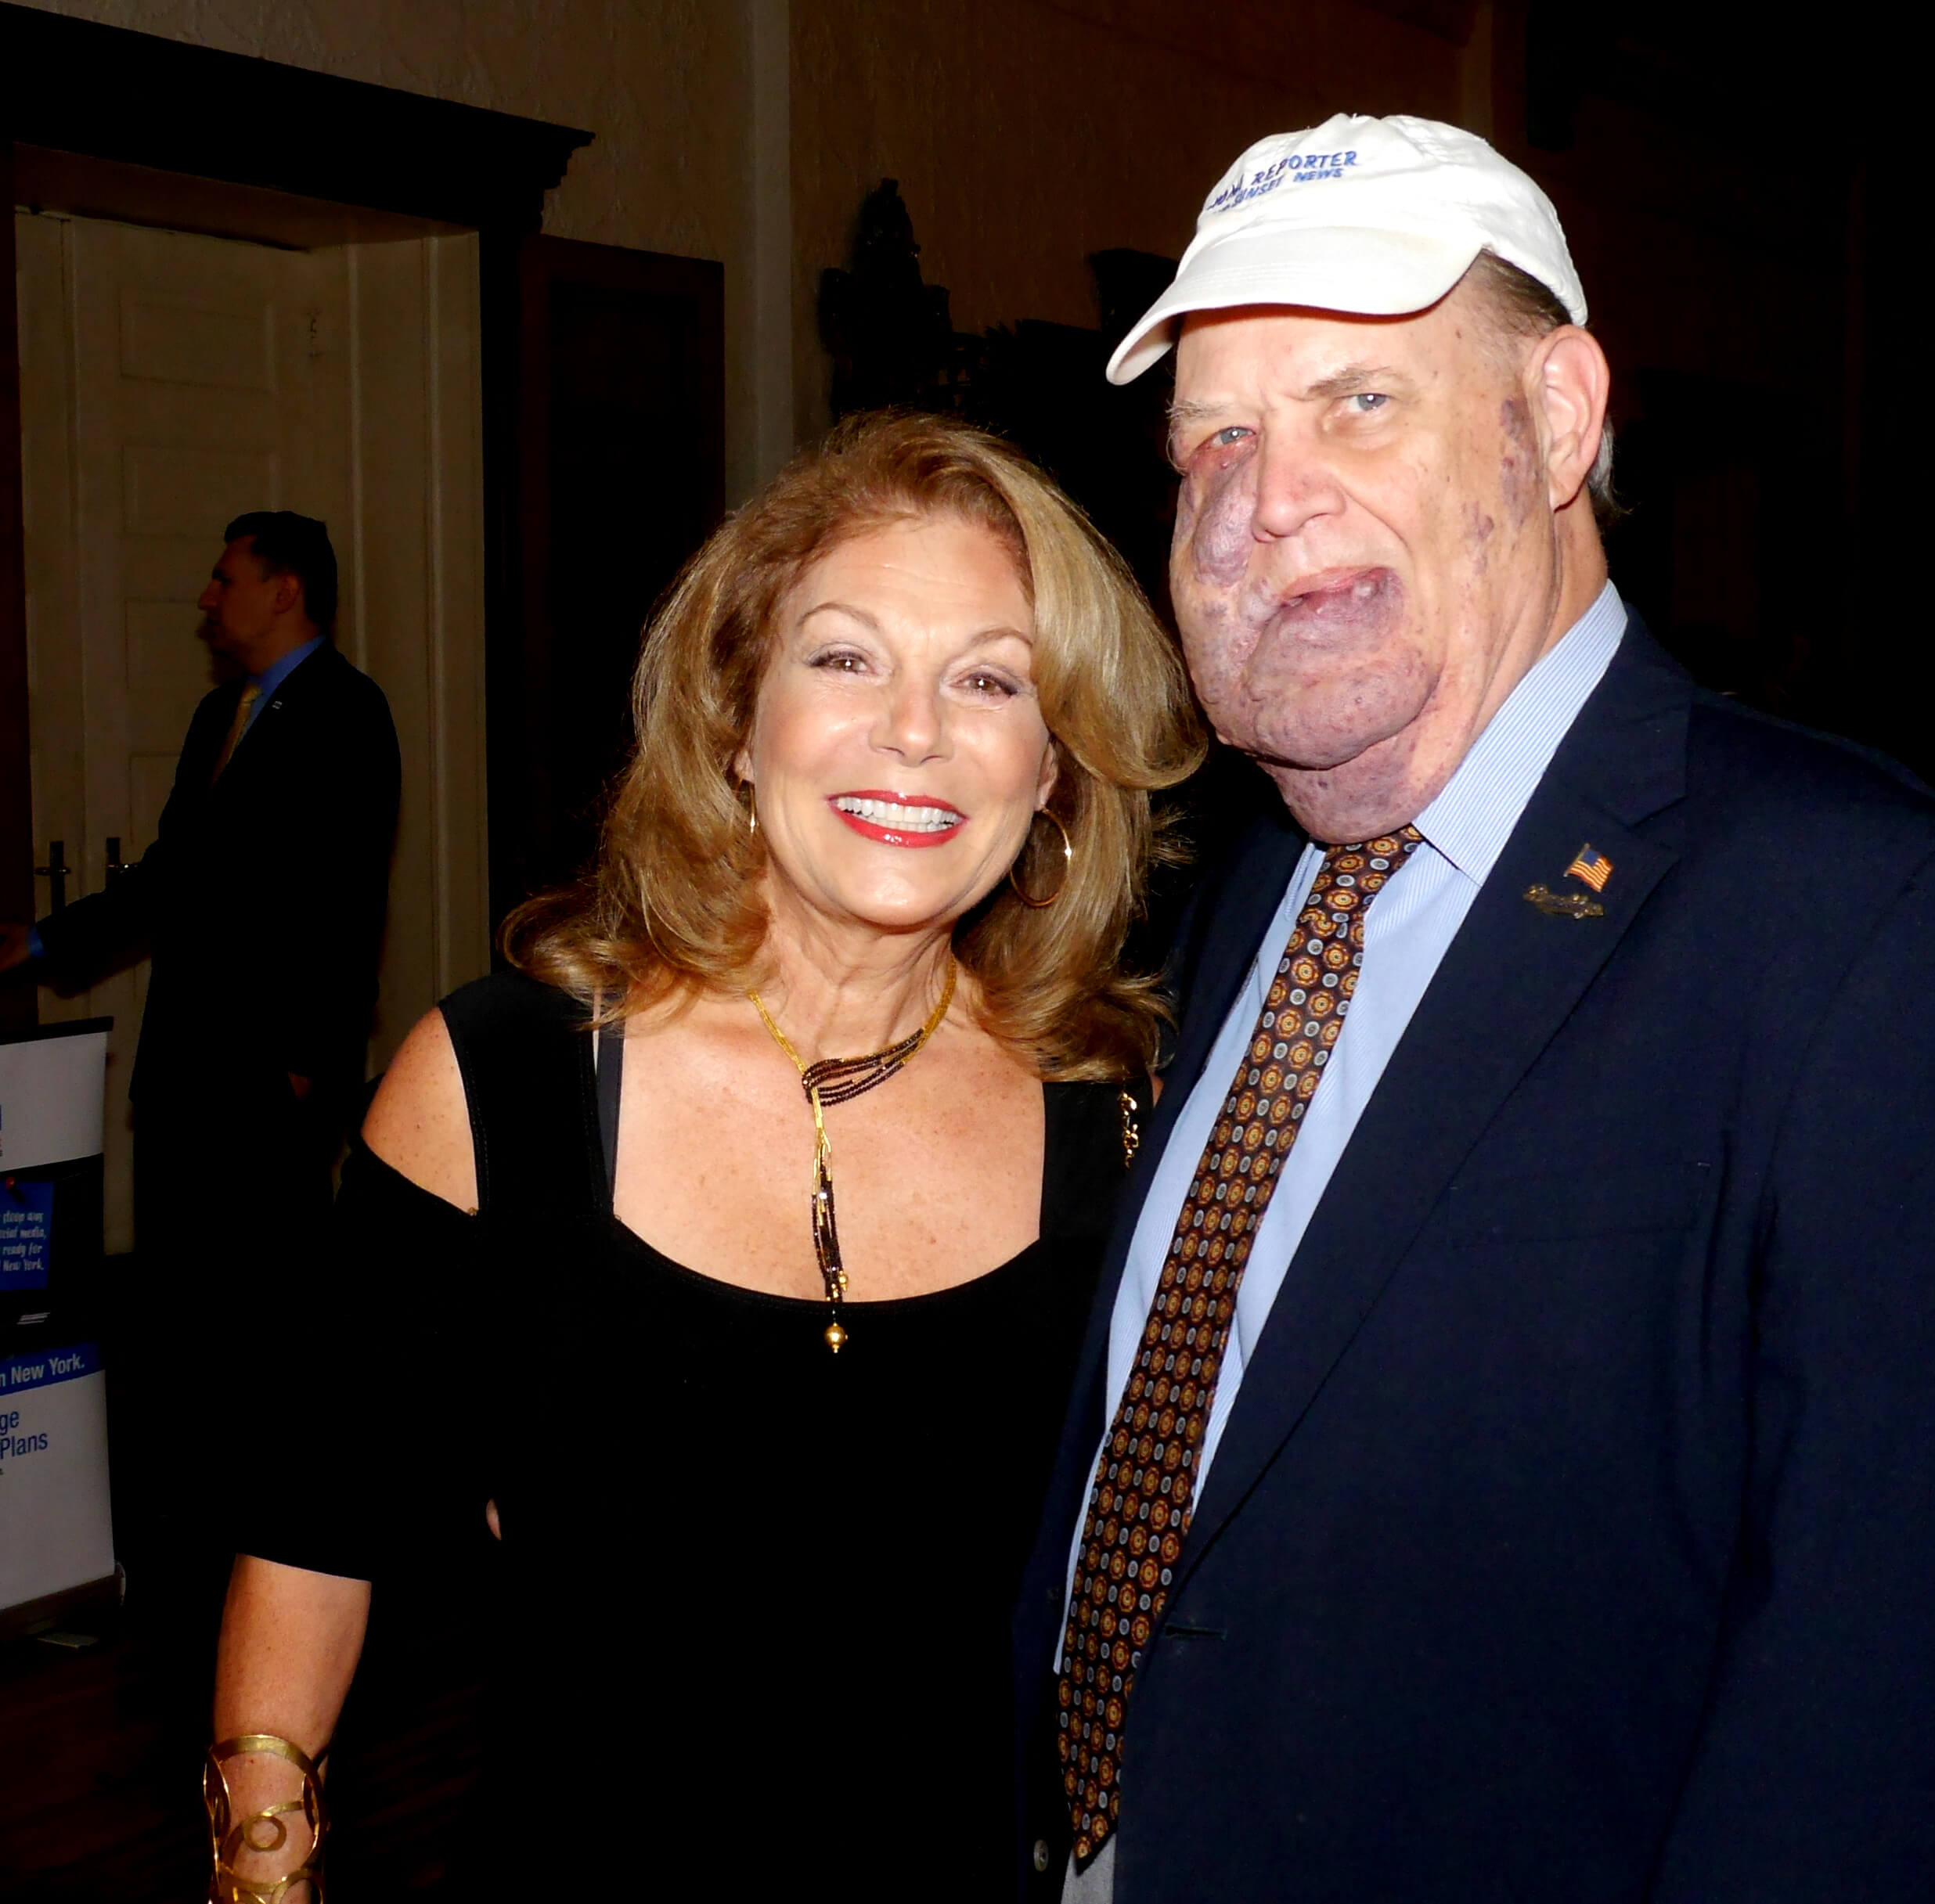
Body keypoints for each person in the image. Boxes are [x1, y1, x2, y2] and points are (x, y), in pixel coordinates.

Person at [1014, 115, 1935, 1901]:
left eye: (1358, 400)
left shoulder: (1868, 924)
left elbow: (1897, 1720)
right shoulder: (1235, 894)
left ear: (1558, 418)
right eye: (1216, 435)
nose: (1265, 496)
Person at [207, 414, 1204, 1899]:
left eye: (989, 678)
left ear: (1053, 766)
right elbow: (313, 1532)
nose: (914, 730)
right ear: (736, 721)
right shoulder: (500, 1081)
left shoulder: (1122, 1121)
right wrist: (260, 1869)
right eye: (846, 657)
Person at [0, 512, 398, 1509]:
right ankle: (190, 1519)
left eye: (226, 579)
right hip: (184, 1063)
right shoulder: (219, 715)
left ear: (285, 590)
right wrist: (44, 942)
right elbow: (173, 876)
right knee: (183, 1311)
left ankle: (288, 1517)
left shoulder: (348, 712)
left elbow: (346, 901)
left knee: (268, 1312)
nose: (205, 599)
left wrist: (306, 1060)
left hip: (268, 1070)